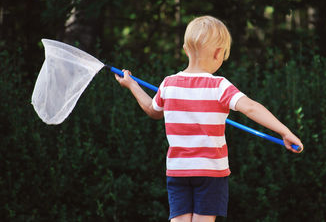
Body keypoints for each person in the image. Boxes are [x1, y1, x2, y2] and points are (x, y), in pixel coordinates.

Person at [114, 15, 303, 222]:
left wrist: (132, 85)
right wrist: (285, 131)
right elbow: (250, 107)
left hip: (178, 171)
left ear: (186, 50)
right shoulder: (219, 85)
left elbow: (152, 110)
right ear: (218, 53)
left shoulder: (169, 84)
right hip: (210, 172)